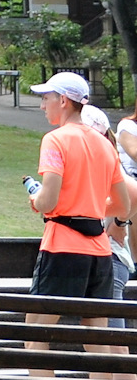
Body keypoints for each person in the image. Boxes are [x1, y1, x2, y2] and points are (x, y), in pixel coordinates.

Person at [25, 72, 137, 377]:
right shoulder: (103, 146)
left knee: (35, 335)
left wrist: (37, 201)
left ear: (63, 101)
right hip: (100, 252)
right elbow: (123, 205)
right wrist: (93, 208)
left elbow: (47, 201)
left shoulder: (55, 140)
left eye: (46, 99)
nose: (42, 106)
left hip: (62, 245)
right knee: (95, 337)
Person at [83, 104, 134, 327]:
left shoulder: (105, 163)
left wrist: (119, 222)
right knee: (97, 333)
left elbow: (134, 193)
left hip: (109, 257)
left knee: (111, 338)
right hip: (98, 256)